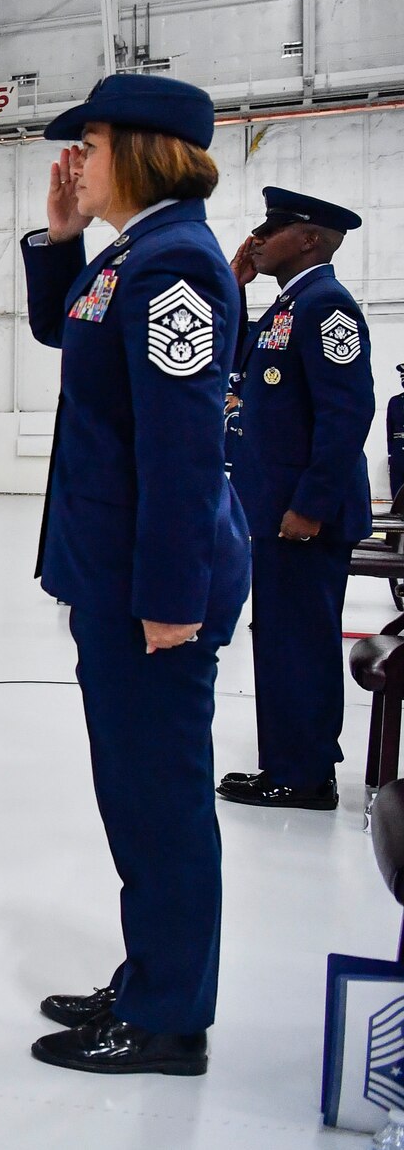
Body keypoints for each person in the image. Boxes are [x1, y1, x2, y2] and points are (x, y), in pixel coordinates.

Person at [20, 72, 247, 1076]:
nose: (78, 158)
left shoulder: (177, 268)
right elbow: (58, 330)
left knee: (158, 799)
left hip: (145, 591)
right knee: (134, 792)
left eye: (94, 142)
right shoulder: (134, 254)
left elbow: (182, 451)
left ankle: (167, 1019)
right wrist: (60, 233)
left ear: (146, 150)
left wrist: (167, 600)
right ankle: (153, 970)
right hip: (108, 572)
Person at [221, 187, 374, 811]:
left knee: (300, 643)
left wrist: (310, 504)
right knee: (282, 638)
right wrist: (234, 285)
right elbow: (233, 369)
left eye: (273, 228)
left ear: (309, 238)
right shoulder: (288, 306)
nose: (258, 237)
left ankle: (305, 776)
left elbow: (347, 414)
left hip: (303, 517)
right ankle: (290, 762)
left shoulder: (327, 308)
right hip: (277, 512)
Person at [388, 365, 404, 503]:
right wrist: (390, 453)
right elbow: (390, 429)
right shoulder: (395, 402)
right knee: (397, 482)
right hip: (399, 448)